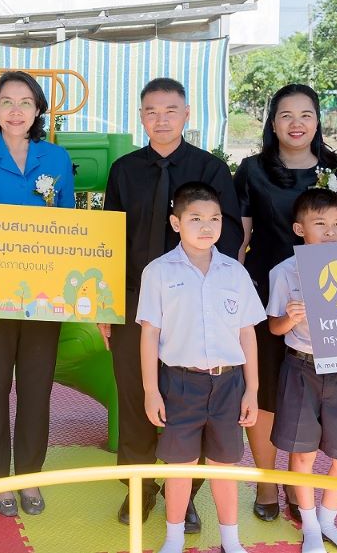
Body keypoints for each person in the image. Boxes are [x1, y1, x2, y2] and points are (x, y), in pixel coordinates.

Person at [102, 77, 242, 528]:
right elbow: (109, 239)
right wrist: (106, 305)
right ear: (141, 117)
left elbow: (231, 233)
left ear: (186, 115)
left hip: (193, 304)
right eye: (151, 111)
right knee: (135, 396)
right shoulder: (124, 170)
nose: (160, 120)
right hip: (131, 301)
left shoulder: (211, 168)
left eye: (170, 111)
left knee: (194, 400)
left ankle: (187, 494)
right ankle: (139, 489)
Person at [233, 83, 337, 520]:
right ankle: (267, 483)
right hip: (267, 293)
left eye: (306, 114)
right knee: (264, 389)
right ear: (273, 123)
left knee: (313, 393)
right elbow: (240, 239)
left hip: (329, 298)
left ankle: (300, 487)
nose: (297, 124)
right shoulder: (252, 169)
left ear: (317, 121)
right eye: (286, 115)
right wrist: (231, 294)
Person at [0, 70, 76, 517]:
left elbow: (70, 226)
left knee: (36, 391)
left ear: (38, 109)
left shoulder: (57, 159)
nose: (16, 110)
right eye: (6, 102)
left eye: (25, 102)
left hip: (44, 298)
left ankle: (29, 477)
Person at [138, 182, 265, 553]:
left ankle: (231, 540)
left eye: (214, 219)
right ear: (176, 223)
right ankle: (173, 538)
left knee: (225, 465)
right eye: (195, 219)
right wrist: (151, 390)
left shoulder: (235, 273)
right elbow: (149, 334)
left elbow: (247, 334)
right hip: (179, 384)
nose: (206, 227)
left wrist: (252, 390)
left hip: (229, 385)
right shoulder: (158, 272)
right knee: (180, 466)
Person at [266, 189, 337, 553]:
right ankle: (309, 527)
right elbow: (274, 328)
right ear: (299, 228)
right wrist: (290, 317)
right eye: (320, 223)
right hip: (301, 366)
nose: (330, 231)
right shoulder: (283, 271)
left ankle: (328, 520)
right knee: (302, 454)